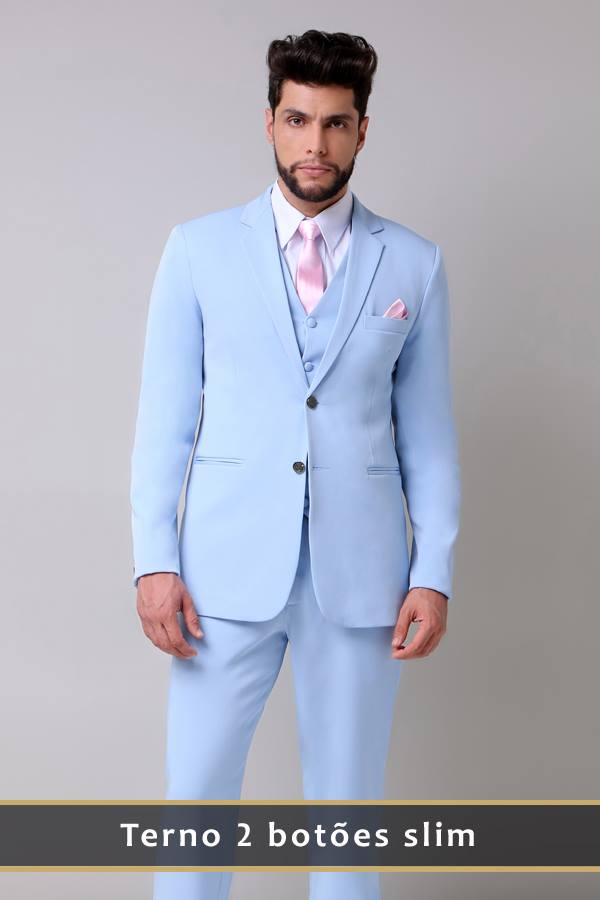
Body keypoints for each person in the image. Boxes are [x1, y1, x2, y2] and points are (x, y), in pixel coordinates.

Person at [130, 28, 461, 900]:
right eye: (298, 120)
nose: (316, 144)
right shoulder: (198, 249)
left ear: (362, 131)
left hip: (360, 580)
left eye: (336, 123)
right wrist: (154, 561)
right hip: (220, 577)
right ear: (270, 122)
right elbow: (163, 423)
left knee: (348, 818)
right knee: (195, 805)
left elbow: (429, 437)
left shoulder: (414, 263)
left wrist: (433, 572)